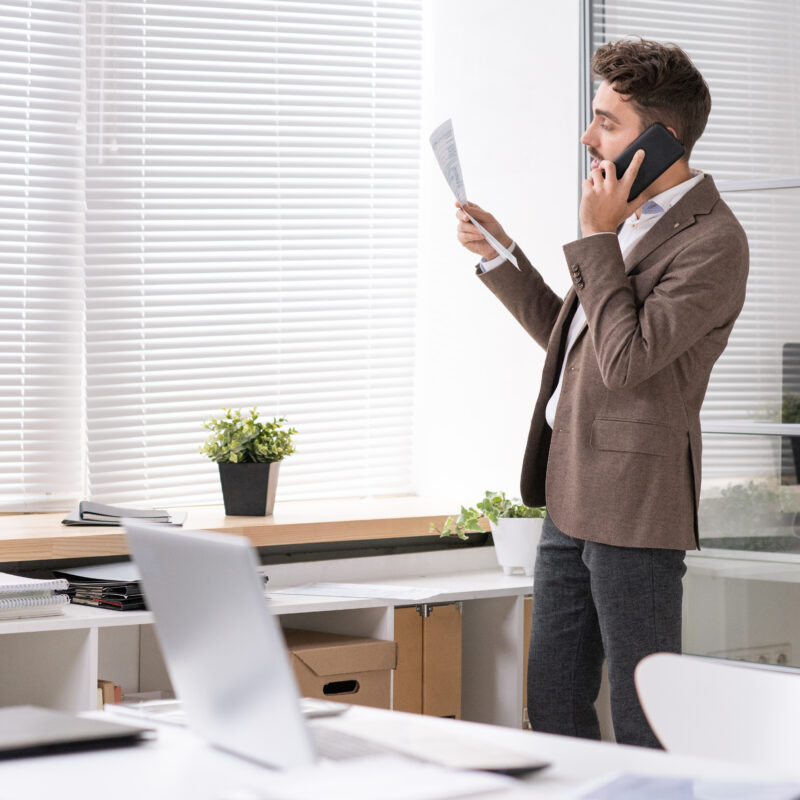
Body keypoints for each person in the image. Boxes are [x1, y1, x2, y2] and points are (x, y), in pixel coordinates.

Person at [455, 38, 749, 748]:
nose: (588, 138)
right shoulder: (631, 224)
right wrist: (501, 256)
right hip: (572, 489)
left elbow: (627, 359)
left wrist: (597, 237)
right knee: (552, 705)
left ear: (659, 139)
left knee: (646, 719)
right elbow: (577, 339)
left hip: (637, 506)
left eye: (606, 122)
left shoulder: (713, 242)